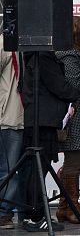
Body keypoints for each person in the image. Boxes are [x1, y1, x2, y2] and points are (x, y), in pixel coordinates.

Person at [19, 52, 79, 232]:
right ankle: (35, 216)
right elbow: (58, 86)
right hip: (42, 121)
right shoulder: (43, 57)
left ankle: (32, 215)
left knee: (34, 170)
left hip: (39, 120)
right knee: (37, 171)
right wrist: (75, 95)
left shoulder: (33, 57)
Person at [55, 16, 80, 224]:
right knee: (73, 164)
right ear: (74, 33)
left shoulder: (74, 54)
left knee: (73, 164)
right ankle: (71, 207)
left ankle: (66, 207)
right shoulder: (69, 56)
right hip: (76, 118)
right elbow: (77, 83)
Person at [0, 36, 23, 230]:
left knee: (22, 169)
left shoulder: (33, 42)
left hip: (26, 115)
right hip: (9, 115)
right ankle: (4, 213)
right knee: (8, 170)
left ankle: (22, 212)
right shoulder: (5, 42)